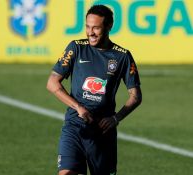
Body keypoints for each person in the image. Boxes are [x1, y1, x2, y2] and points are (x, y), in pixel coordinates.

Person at [46, 4, 142, 175]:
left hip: (103, 131)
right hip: (75, 126)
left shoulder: (122, 56)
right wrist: (78, 107)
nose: (90, 32)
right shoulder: (76, 47)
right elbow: (52, 83)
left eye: (96, 28)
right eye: (87, 27)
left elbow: (135, 96)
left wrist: (116, 118)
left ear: (109, 26)